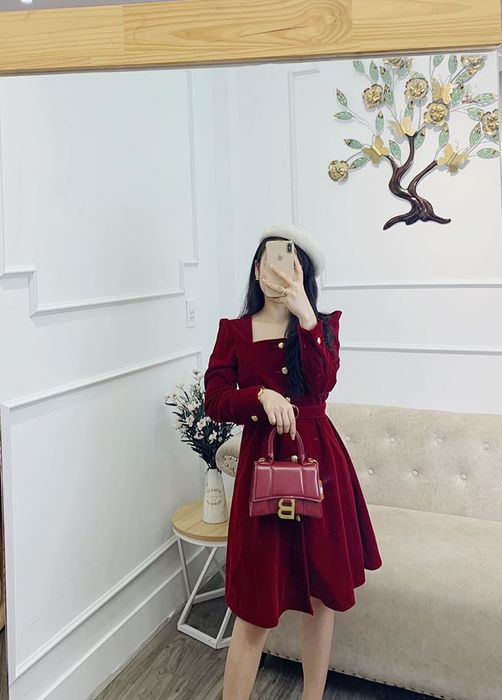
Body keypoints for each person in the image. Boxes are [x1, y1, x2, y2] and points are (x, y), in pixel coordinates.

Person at [204, 223, 383, 700]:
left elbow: (322, 385)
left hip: (319, 465)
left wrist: (306, 317)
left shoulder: (322, 326)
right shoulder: (234, 332)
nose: (277, 270)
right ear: (256, 271)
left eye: (288, 261)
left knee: (321, 599)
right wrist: (259, 396)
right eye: (268, 260)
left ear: (302, 272)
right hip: (261, 472)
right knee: (253, 607)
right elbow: (215, 400)